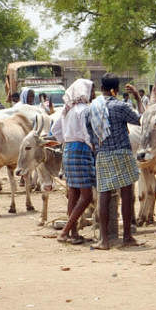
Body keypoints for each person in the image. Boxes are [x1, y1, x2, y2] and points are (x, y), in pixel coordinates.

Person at [86, 75, 142, 249]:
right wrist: (138, 98)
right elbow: (141, 120)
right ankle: (127, 236)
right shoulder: (121, 106)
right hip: (123, 153)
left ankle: (104, 240)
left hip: (103, 154)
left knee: (104, 195)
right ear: (115, 90)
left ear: (101, 88)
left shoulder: (92, 108)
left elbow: (90, 134)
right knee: (126, 195)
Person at [51, 79, 95, 244]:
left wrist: (66, 140)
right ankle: (65, 231)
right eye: (91, 90)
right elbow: (87, 133)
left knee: (73, 194)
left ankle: (73, 232)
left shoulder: (66, 110)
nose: (93, 94)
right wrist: (92, 147)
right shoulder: (84, 110)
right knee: (86, 195)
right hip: (81, 151)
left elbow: (55, 130)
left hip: (68, 151)